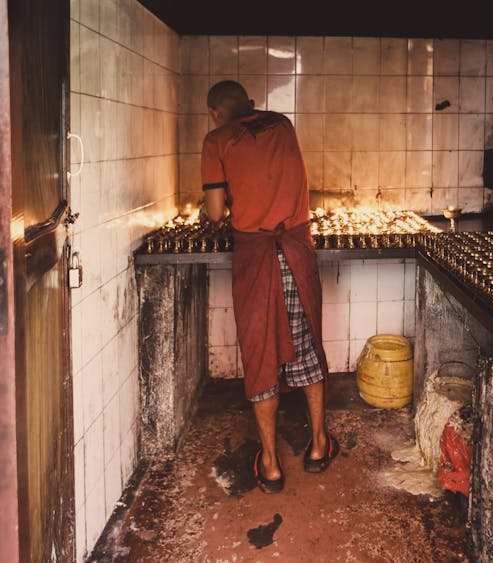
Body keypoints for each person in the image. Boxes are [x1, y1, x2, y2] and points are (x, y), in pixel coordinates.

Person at [200, 80, 339, 493]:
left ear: (214, 112)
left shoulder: (215, 140)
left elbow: (214, 210)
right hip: (296, 252)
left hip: (256, 259)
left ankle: (272, 466)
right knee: (308, 345)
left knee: (261, 354)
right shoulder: (283, 124)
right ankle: (318, 445)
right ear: (252, 105)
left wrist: (217, 210)